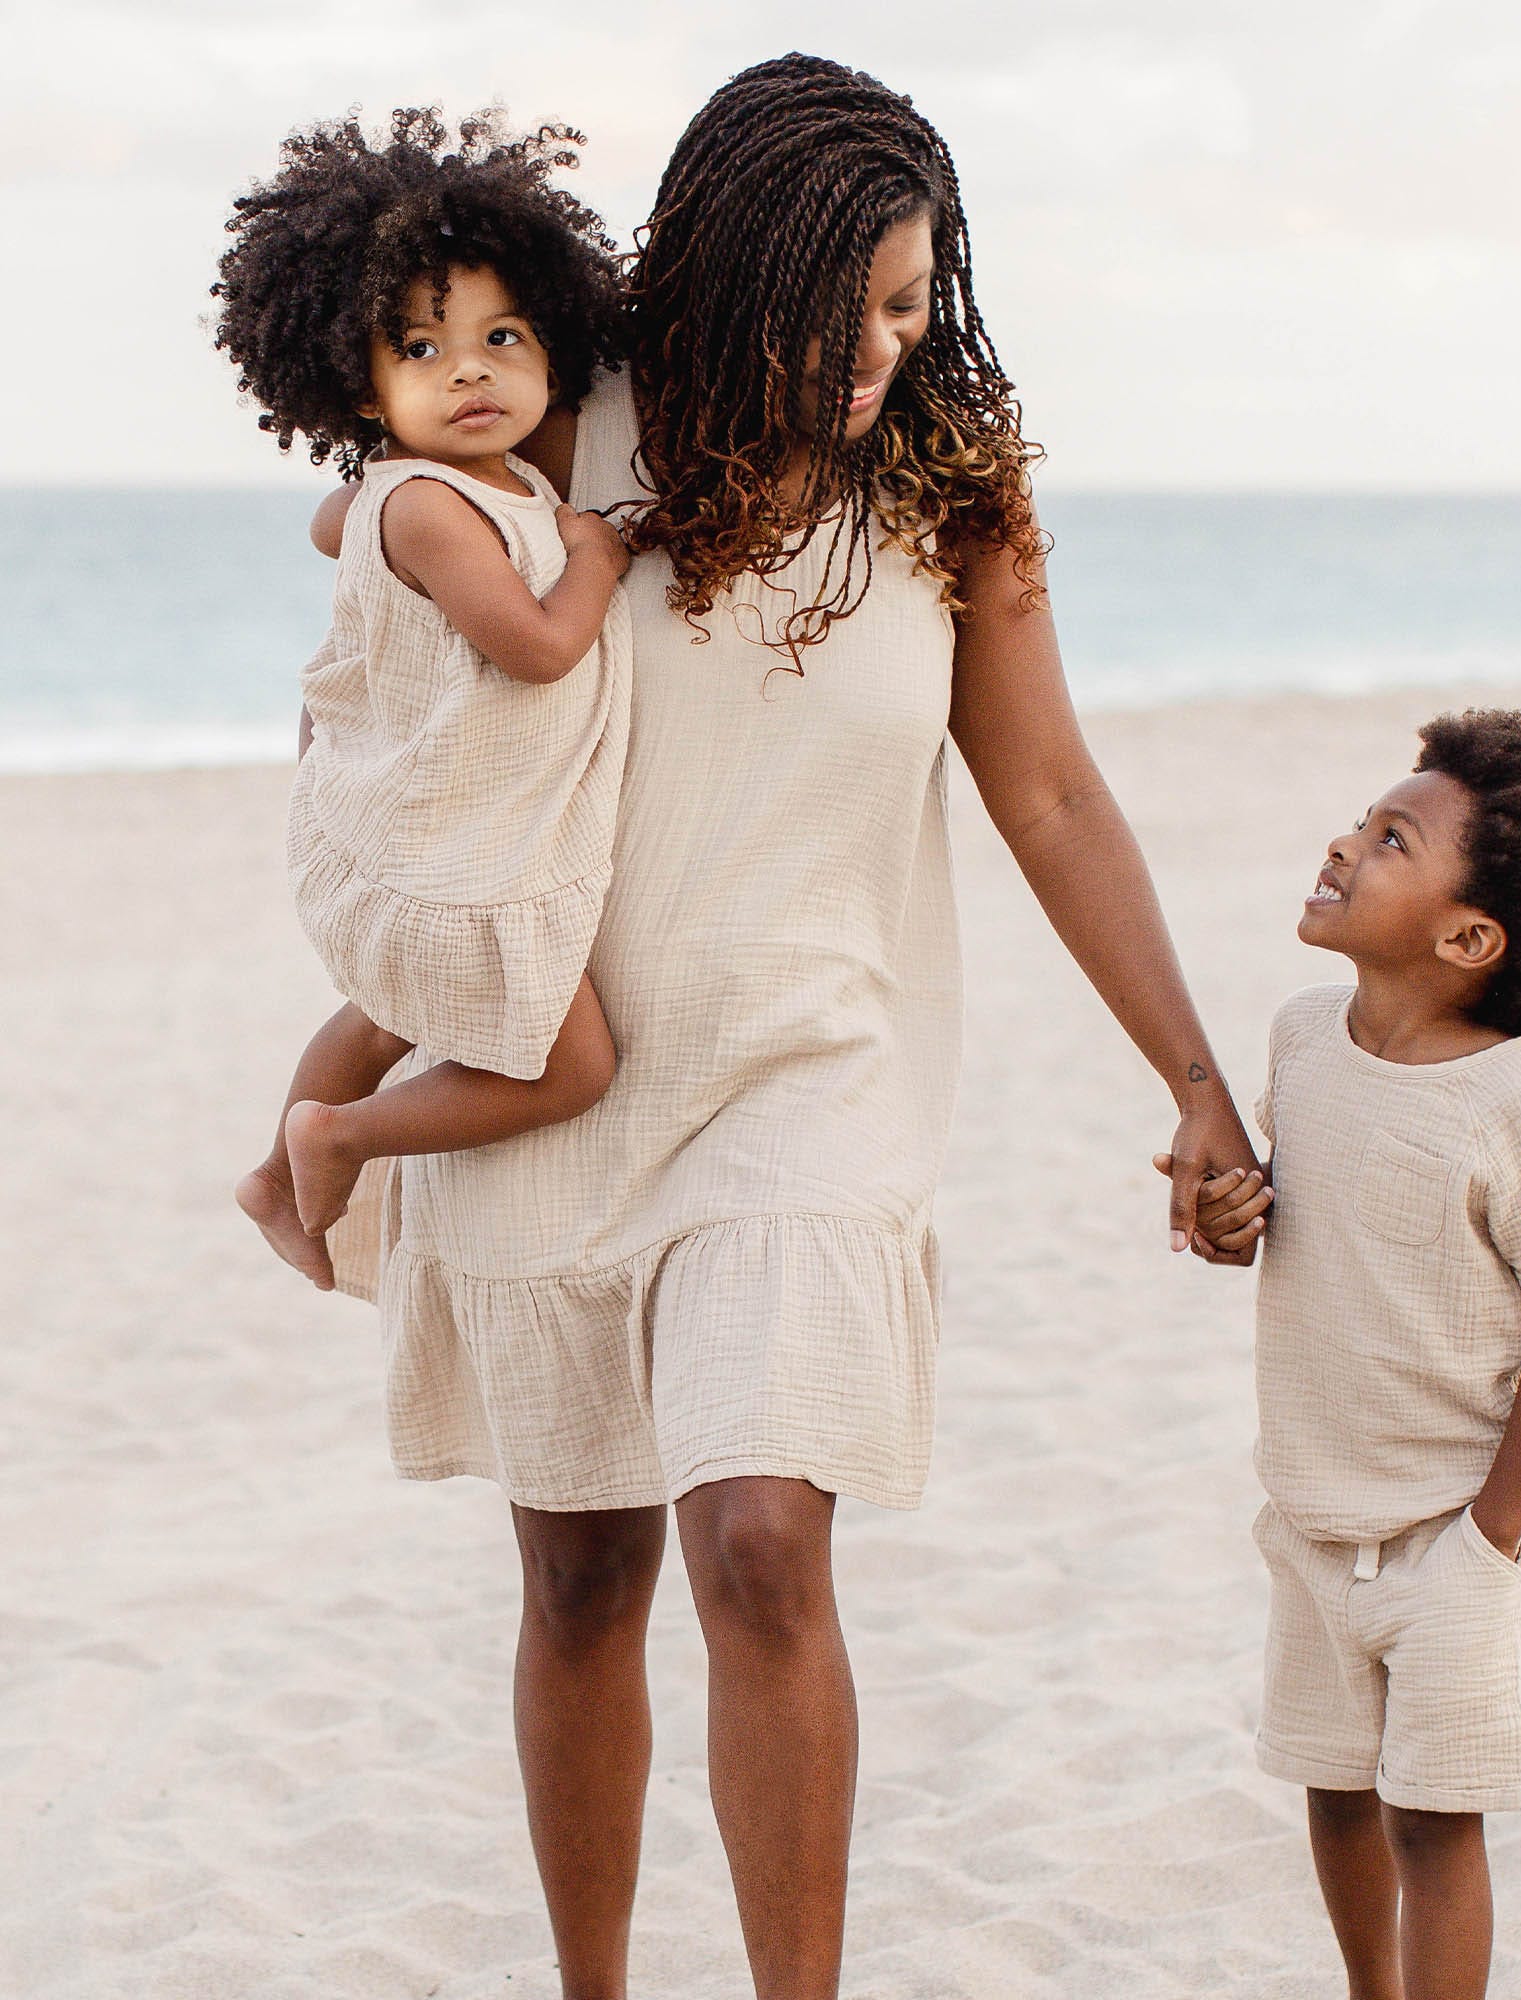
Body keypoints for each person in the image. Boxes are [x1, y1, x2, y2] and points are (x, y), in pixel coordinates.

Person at [312, 55, 1260, 2000]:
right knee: (580, 1575)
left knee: (760, 1536)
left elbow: (1054, 795)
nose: (885, 349)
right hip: (549, 1073)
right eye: (852, 305)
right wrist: (358, 1032)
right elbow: (404, 724)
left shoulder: (953, 494)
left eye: (916, 306)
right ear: (736, 269)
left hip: (811, 1077)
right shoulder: (557, 434)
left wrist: (1193, 1077)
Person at [1213, 708, 1521, 1999]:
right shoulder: (1304, 1038)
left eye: (1391, 837)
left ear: (1469, 939)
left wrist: (1492, 1532)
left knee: (1431, 1816)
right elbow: (1292, 1225)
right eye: (1365, 820)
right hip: (1311, 1513)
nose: (1347, 843)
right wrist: (1226, 1221)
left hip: (1451, 1536)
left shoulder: (1520, 1100)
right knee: (1338, 1789)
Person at [217, 109, 633, 1289]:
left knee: (388, 1009)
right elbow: (537, 649)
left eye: (502, 337)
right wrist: (595, 556)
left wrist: (391, 480)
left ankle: (268, 1177)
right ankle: (333, 1135)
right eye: (420, 350)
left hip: (419, 830)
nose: (470, 370)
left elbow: (326, 521)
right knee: (572, 1068)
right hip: (451, 854)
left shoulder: (410, 490)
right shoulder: (439, 509)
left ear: (552, 348)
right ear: (355, 384)